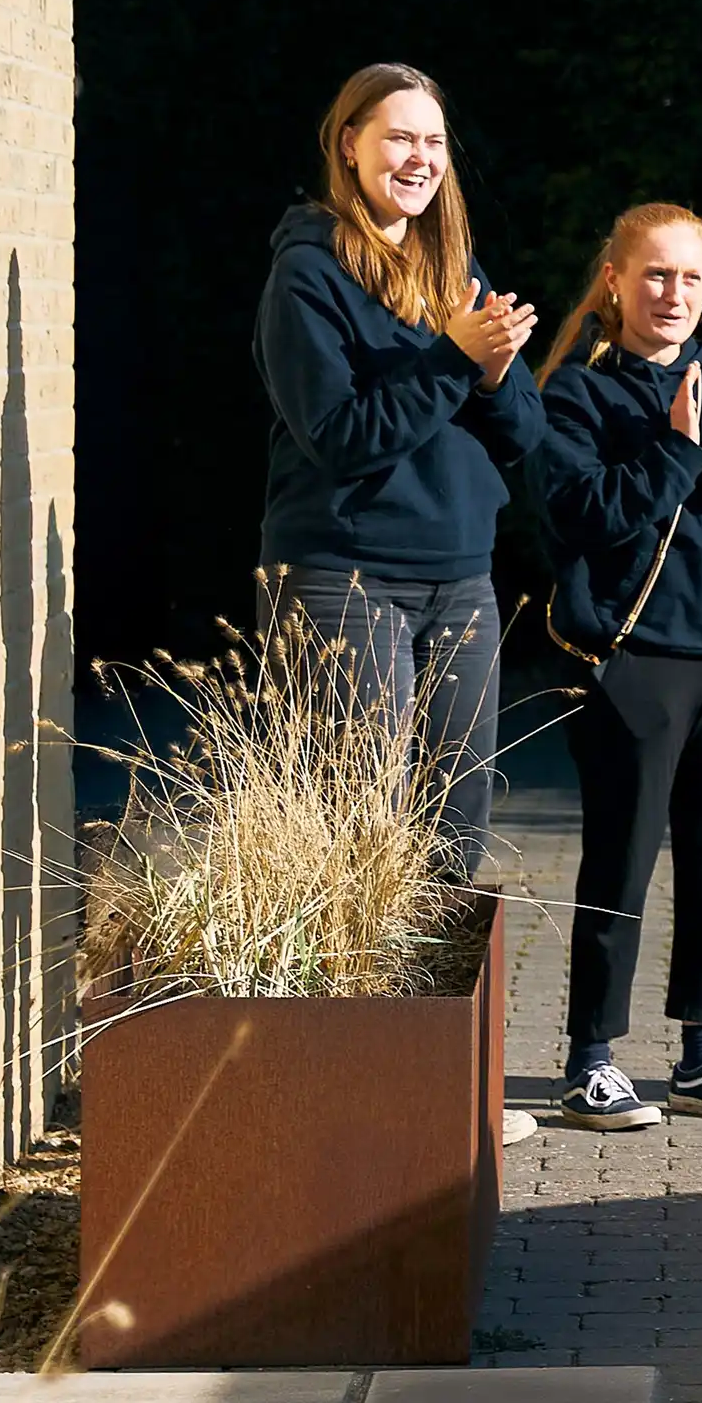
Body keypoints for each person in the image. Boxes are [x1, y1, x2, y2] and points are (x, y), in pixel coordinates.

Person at [531, 202, 702, 1131]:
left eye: (690, 278)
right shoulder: (574, 394)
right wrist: (682, 448)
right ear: (614, 279)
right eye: (656, 274)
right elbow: (585, 516)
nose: (673, 294)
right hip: (633, 658)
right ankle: (591, 1059)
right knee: (622, 860)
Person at [251, 63, 542, 872]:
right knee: (353, 827)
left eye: (433, 142)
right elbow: (340, 436)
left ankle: (429, 1000)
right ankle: (354, 1002)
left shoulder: (457, 271)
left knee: (454, 830)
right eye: (399, 139)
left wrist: (489, 373)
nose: (419, 158)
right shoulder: (307, 274)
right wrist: (454, 360)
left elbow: (521, 432)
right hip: (344, 580)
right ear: (350, 146)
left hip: (461, 580)